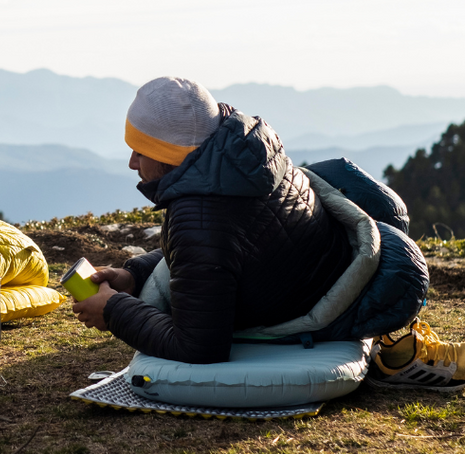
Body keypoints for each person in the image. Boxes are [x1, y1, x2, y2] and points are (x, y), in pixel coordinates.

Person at [72, 76, 465, 392]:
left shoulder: (202, 214)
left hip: (331, 305)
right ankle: (396, 343)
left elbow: (199, 346)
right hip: (335, 259)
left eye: (141, 150)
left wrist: (112, 309)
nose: (131, 162)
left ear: (172, 152)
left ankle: (394, 355)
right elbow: (228, 250)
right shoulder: (242, 154)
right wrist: (134, 275)